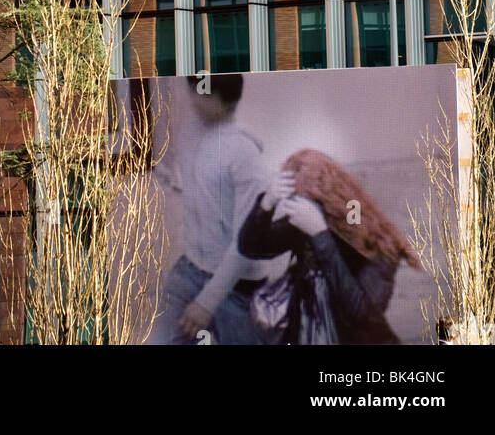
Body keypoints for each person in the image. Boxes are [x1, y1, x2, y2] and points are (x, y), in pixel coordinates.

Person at [237, 148, 423, 345]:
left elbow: (363, 314)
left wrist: (320, 235)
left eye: (301, 202)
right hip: (306, 333)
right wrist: (266, 203)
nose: (297, 210)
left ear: (329, 197)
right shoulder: (304, 222)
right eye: (293, 202)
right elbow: (251, 247)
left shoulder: (378, 239)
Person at [152, 74, 271, 345]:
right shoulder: (191, 136)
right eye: (193, 89)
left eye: (202, 92)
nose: (193, 98)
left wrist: (207, 302)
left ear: (223, 98)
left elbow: (247, 243)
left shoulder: (245, 156)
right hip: (190, 271)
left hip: (239, 288)